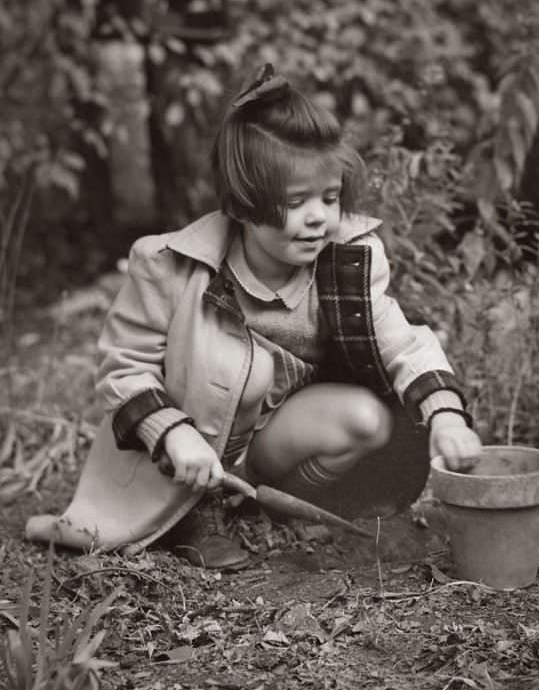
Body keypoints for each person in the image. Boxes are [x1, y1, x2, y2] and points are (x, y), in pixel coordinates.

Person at [26, 64, 481, 568]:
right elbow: (123, 369)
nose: (319, 218)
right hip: (185, 451)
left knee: (364, 420)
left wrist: (445, 414)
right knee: (251, 368)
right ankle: (198, 511)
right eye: (295, 202)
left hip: (269, 440)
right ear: (243, 208)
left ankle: (262, 507)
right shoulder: (171, 268)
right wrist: (173, 435)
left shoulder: (345, 261)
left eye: (329, 198)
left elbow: (403, 340)